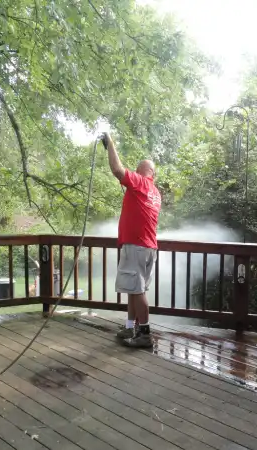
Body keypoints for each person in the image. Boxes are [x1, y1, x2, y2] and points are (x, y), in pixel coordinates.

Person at [101, 132, 161, 348]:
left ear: (146, 172)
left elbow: (117, 170)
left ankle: (144, 333)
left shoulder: (142, 184)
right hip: (146, 246)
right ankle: (130, 327)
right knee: (134, 289)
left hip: (136, 246)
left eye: (138, 168)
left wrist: (110, 144)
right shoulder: (154, 191)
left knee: (137, 290)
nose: (134, 171)